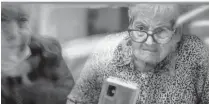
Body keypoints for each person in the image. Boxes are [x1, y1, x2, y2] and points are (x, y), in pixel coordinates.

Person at [67, 4, 209, 104]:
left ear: (176, 33)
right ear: (130, 24)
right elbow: (76, 100)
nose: (149, 41)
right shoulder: (107, 52)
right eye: (141, 28)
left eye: (160, 31)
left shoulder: (196, 55)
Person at [1, 3, 75, 104]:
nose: (14, 33)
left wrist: (30, 89)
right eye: (3, 21)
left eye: (22, 20)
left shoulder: (48, 51)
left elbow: (72, 97)